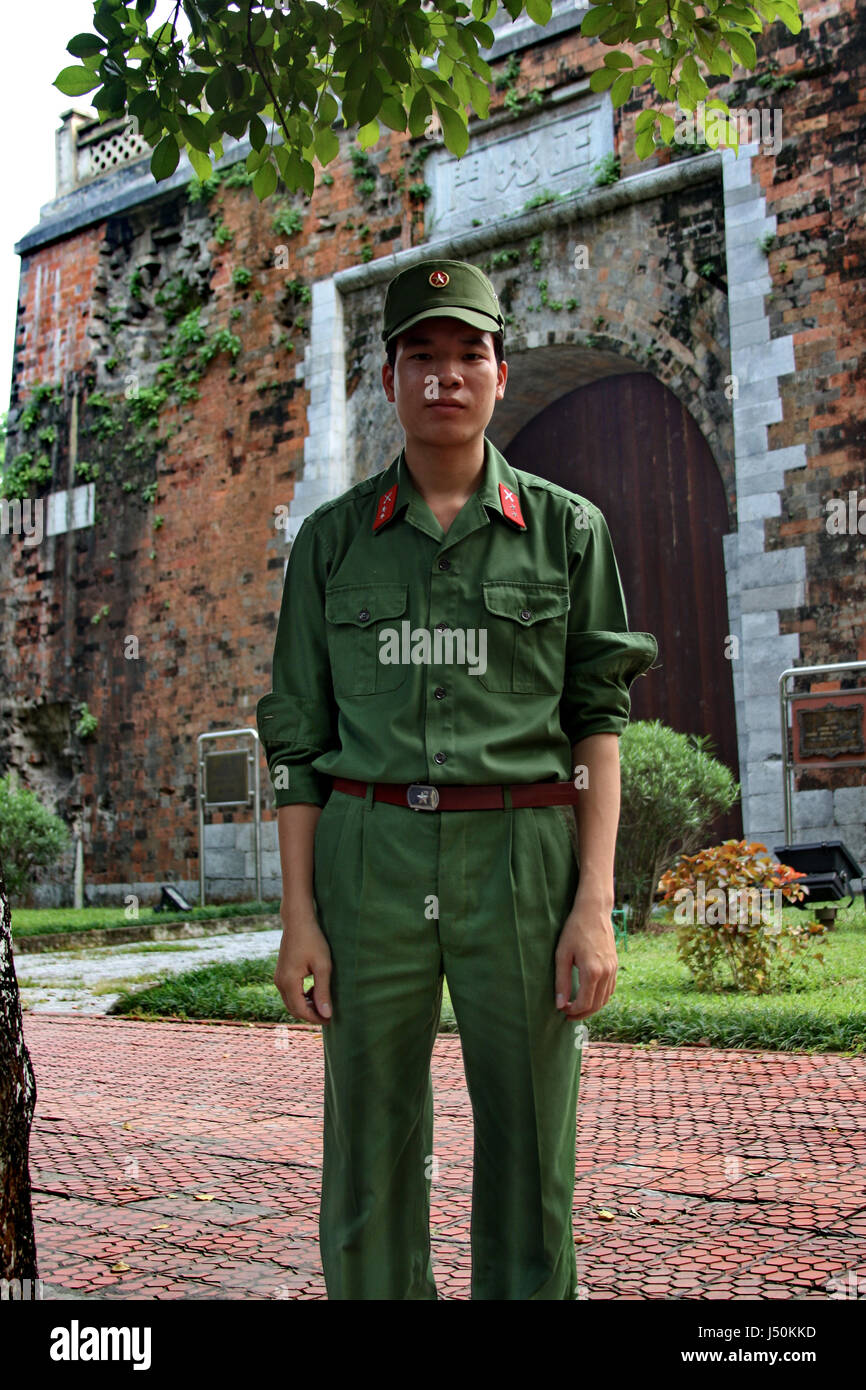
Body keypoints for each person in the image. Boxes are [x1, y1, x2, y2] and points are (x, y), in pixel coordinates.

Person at [256, 258, 658, 1300]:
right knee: (368, 1149)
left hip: (522, 855)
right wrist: (299, 915)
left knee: (531, 1149)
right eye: (420, 357)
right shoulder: (331, 544)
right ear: (386, 379)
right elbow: (297, 745)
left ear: (497, 370)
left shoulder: (567, 533)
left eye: (466, 354)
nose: (445, 376)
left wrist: (592, 904)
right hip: (368, 854)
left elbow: (595, 722)